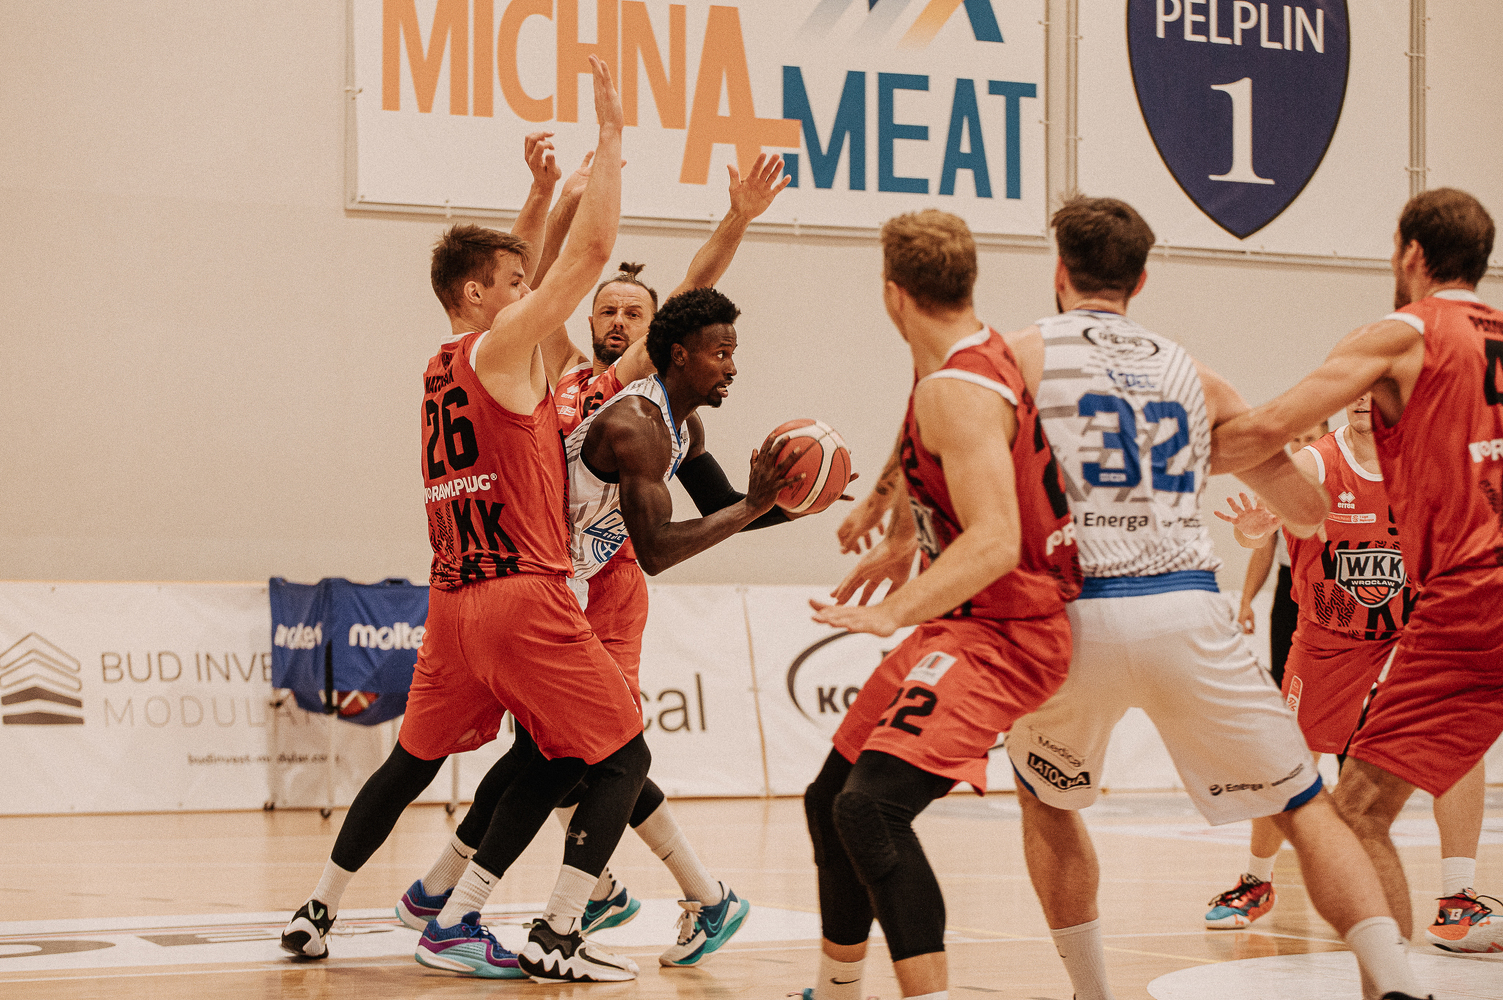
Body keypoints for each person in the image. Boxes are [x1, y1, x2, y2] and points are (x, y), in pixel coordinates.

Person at [845, 196, 1427, 1000]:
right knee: (1305, 808)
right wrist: (1217, 470)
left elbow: (939, 413)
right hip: (1184, 607)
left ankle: (1092, 994)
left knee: (1047, 802)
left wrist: (890, 516)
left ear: (1058, 271)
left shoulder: (1013, 357)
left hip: (1071, 618)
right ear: (1141, 279)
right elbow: (1304, 511)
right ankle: (1397, 984)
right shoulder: (1194, 373)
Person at [282, 58, 653, 984]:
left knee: (410, 762)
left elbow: (505, 270)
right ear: (483, 296)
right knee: (620, 752)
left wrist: (537, 195)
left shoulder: (444, 359)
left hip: (450, 602)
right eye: (514, 282)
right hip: (521, 596)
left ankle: (317, 909)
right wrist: (612, 138)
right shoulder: (505, 347)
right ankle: (550, 930)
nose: (529, 289)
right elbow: (585, 259)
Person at [800, 209, 1083, 1000]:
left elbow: (994, 540)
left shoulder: (957, 389)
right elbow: (927, 442)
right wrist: (895, 522)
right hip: (969, 620)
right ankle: (835, 990)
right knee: (828, 800)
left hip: (1007, 631)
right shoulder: (963, 354)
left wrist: (891, 611)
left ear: (892, 293)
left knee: (870, 811)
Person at [1213, 186, 1503, 953]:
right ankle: (1267, 879)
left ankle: (1406, 966)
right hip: (1358, 628)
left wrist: (1173, 450)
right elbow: (1293, 498)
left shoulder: (1403, 334)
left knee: (1354, 816)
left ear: (1410, 254)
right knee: (1392, 758)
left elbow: (1267, 426)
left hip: (1458, 601)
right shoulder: (1492, 338)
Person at [1232, 419, 1328, 687]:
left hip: (1330, 583)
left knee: (1323, 678)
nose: (1301, 446)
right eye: (1295, 440)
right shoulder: (1275, 486)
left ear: (1326, 438)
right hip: (1288, 585)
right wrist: (1246, 601)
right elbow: (1264, 550)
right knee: (1283, 675)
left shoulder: (1339, 478)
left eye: (1309, 438)